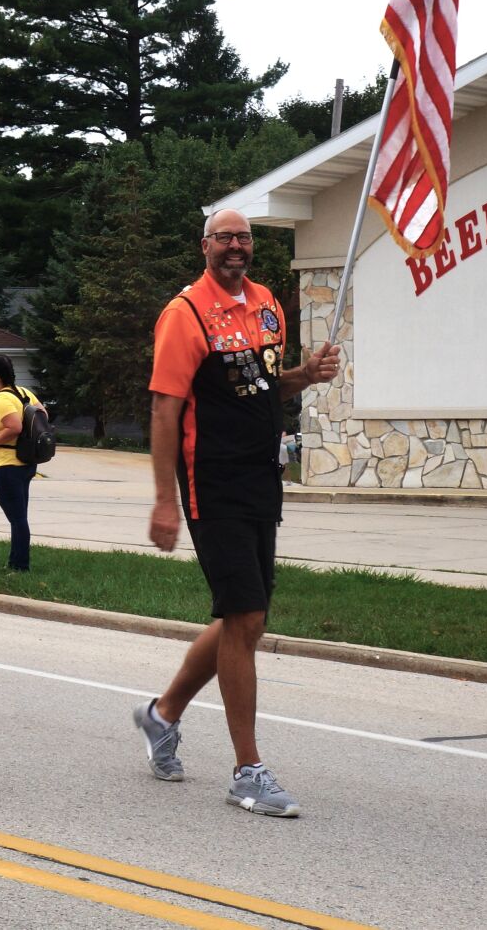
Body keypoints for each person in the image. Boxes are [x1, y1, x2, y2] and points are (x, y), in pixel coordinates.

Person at [135, 209, 340, 818]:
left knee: (243, 621)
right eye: (224, 237)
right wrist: (164, 501)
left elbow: (263, 384)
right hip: (210, 483)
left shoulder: (266, 303)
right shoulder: (185, 314)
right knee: (245, 612)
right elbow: (165, 412)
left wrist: (303, 375)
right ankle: (247, 770)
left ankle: (161, 713)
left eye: (244, 236)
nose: (235, 246)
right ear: (204, 246)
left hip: (261, 480)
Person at [0, 355, 41, 573]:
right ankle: (16, 562)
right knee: (19, 516)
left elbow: (14, 427)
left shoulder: (2, 399)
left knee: (17, 518)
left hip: (7, 465)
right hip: (26, 463)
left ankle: (20, 565)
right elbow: (42, 414)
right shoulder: (24, 393)